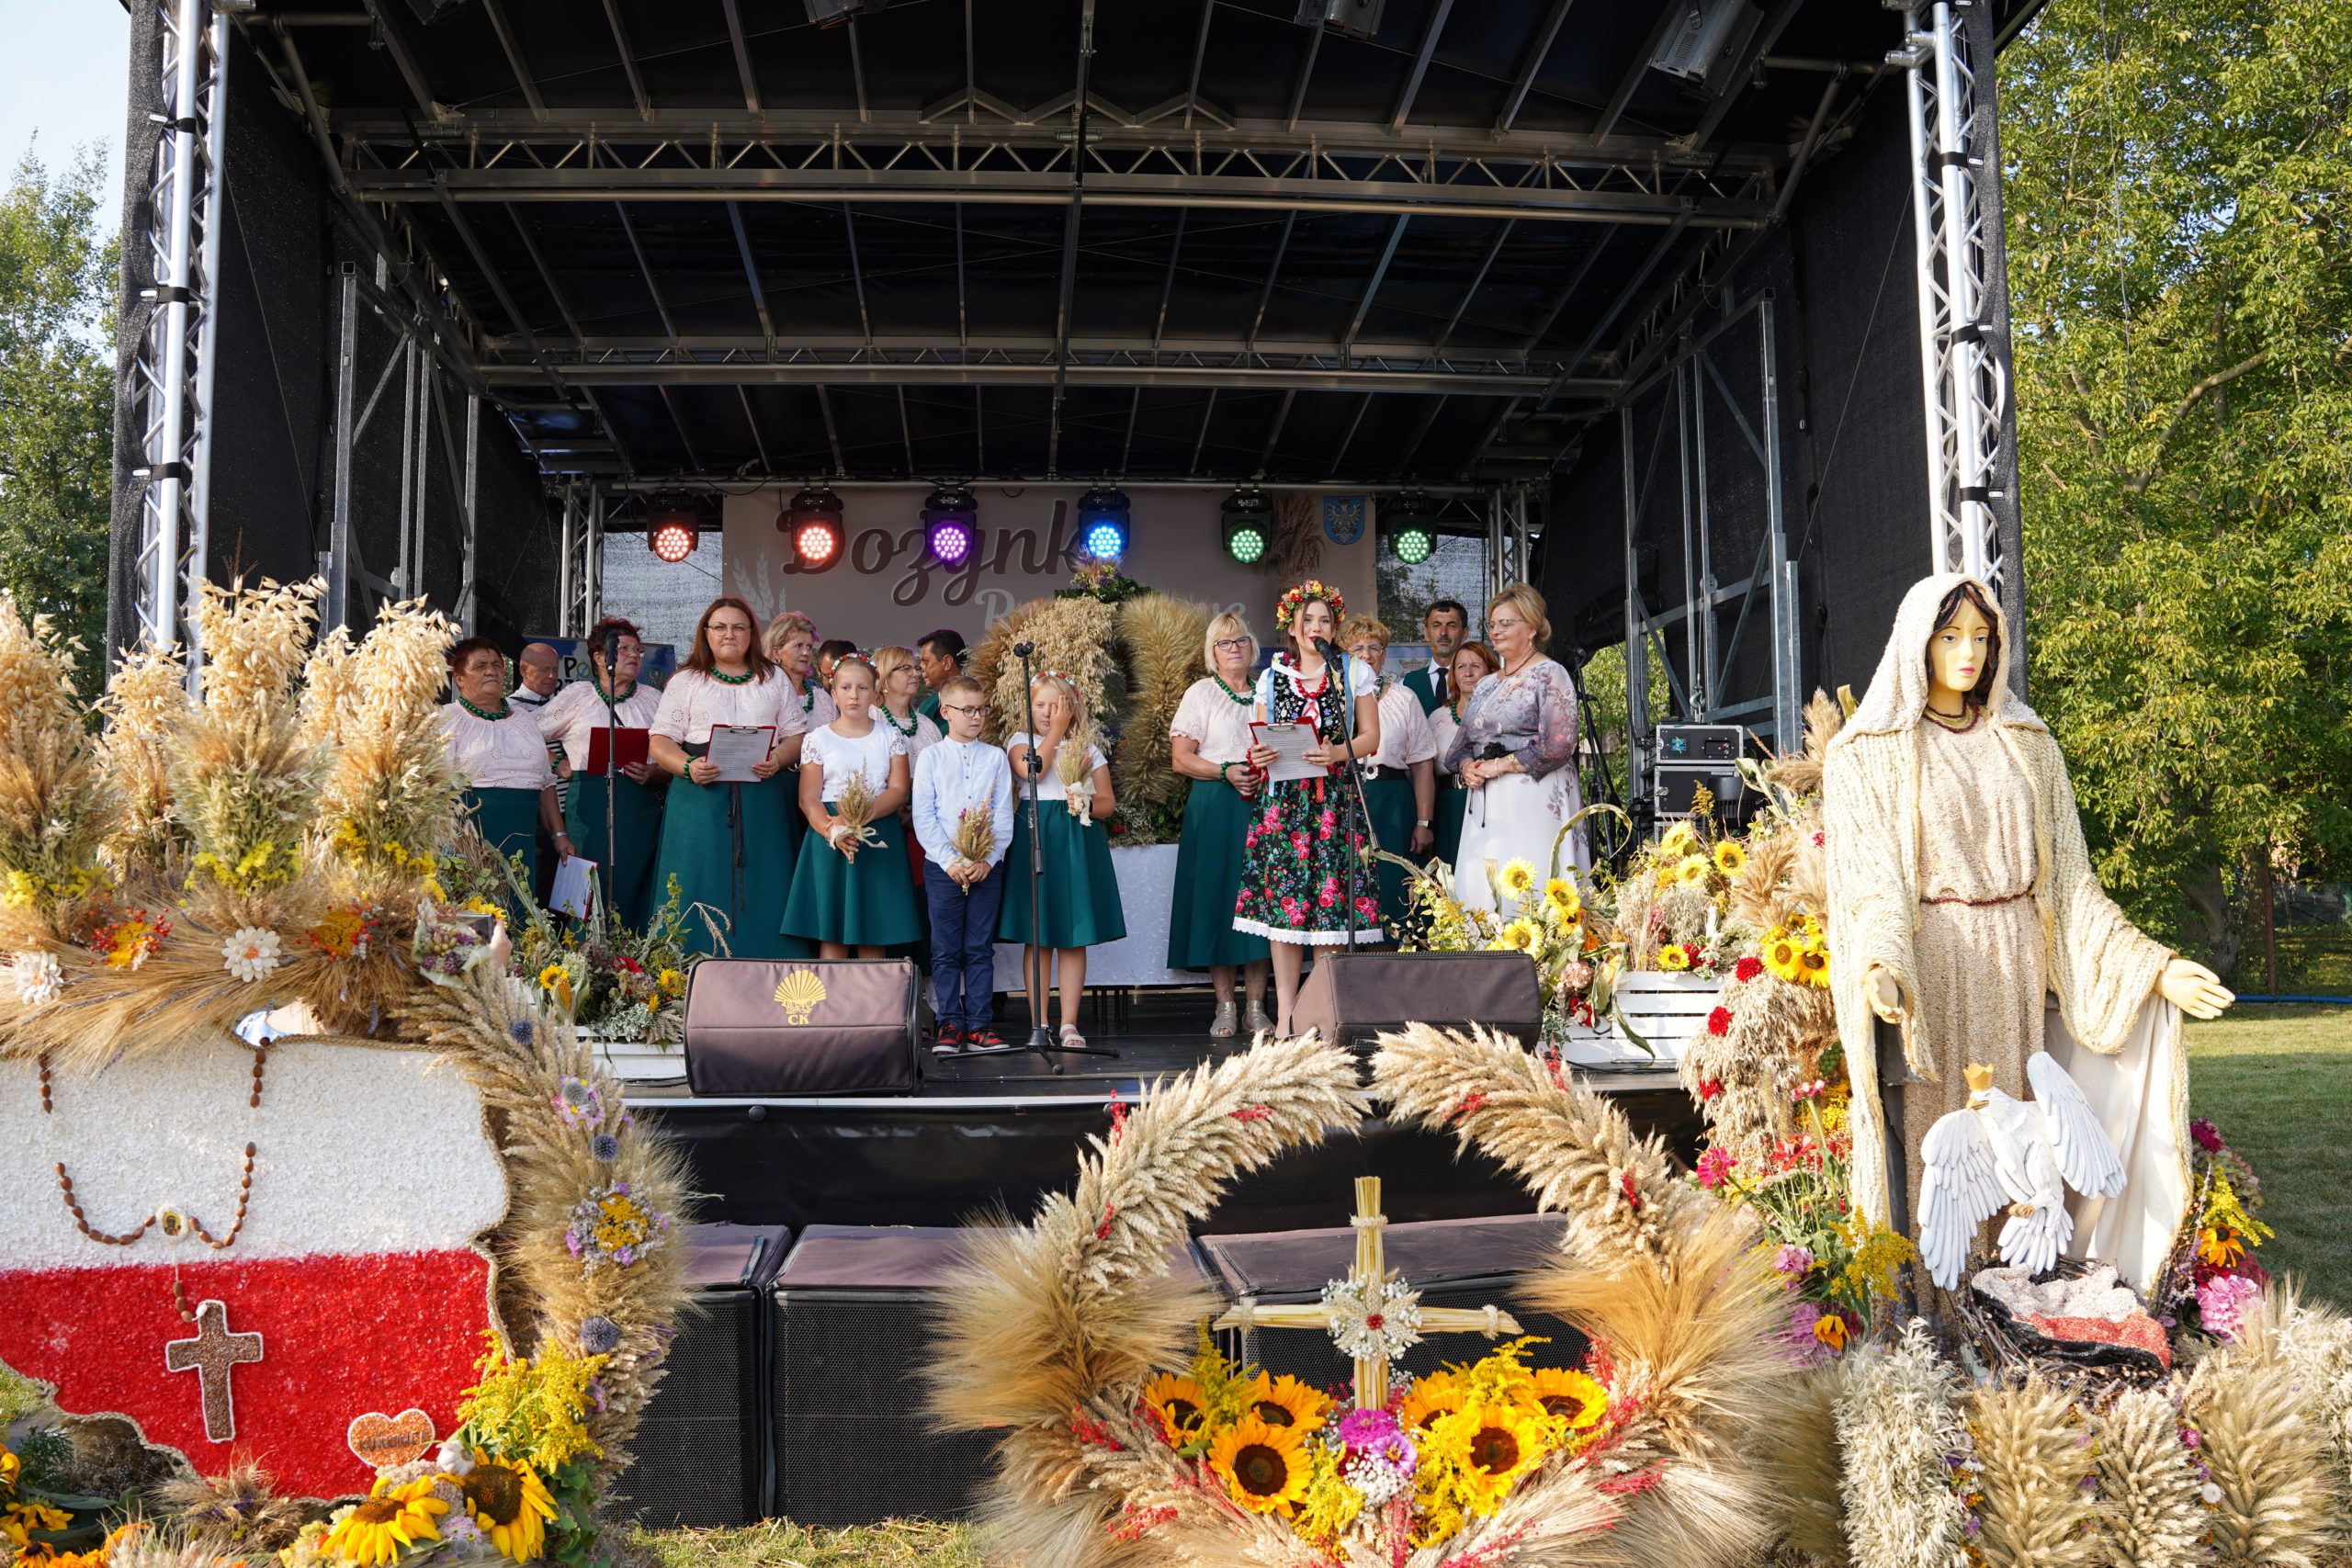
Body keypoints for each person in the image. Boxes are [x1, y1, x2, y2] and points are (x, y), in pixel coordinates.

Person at [1825, 574, 2235, 1306]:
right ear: (1917, 641)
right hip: (1934, 960)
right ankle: (1944, 1317)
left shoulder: (2027, 741)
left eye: (1982, 637)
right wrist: (1882, 961)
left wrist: (2151, 967)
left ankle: (2018, 1310)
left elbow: (2070, 880)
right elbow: (1872, 880)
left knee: (2023, 1144)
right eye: (1951, 636)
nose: (1969, 652)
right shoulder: (1871, 751)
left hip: (2016, 959)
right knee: (1944, 1145)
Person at [1233, 581, 1383, 1037]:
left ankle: (1322, 1014)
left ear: (1334, 628)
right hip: (1285, 804)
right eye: (1308, 620)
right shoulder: (1272, 677)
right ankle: (1286, 1015)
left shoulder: (1352, 672)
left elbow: (1371, 737)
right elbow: (1259, 739)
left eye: (1325, 620)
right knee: (1286, 910)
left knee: (1330, 911)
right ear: (1293, 627)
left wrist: (1336, 753)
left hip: (1335, 801)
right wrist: (1259, 754)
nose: (1316, 627)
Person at [649, 597, 808, 959]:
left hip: (762, 796)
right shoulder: (686, 680)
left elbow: (796, 736)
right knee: (696, 879)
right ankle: (688, 969)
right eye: (719, 627)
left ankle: (772, 964)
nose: (729, 634)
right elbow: (659, 741)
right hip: (699, 797)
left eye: (738, 627)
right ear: (706, 633)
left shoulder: (774, 678)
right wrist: (688, 766)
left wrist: (778, 758)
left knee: (766, 879)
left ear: (752, 634)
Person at [997, 671, 1125, 1051]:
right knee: (1038, 936)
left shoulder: (1088, 748)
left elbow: (1107, 803)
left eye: (1057, 706)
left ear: (1071, 707)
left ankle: (1069, 1023)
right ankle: (1039, 1023)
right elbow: (1034, 771)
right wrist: (1056, 731)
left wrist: (1085, 802)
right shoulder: (1019, 742)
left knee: (1072, 935)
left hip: (1075, 838)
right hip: (1037, 834)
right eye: (1040, 705)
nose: (1048, 712)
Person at [1444, 583, 1584, 911]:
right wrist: (1467, 768)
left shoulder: (1549, 673)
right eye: (1492, 624)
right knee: (1484, 895)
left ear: (1532, 628)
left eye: (1506, 623)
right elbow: (1460, 747)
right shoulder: (1486, 684)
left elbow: (1559, 744)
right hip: (1486, 804)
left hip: (1533, 796)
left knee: (1532, 886)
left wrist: (1499, 766)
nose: (1496, 631)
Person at [1166, 612, 1272, 1039]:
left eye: (1241, 640)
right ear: (1212, 652)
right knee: (1217, 903)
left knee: (1261, 903)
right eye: (1224, 643)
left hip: (1263, 805)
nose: (1234, 649)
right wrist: (1225, 770)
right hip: (1214, 807)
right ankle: (1225, 1007)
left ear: (1253, 647)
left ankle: (1257, 1008)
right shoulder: (1202, 693)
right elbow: (1181, 759)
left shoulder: (1269, 690)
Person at [782, 656, 924, 958]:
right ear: (833, 694)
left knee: (874, 930)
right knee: (832, 932)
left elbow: (898, 790)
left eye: (862, 688)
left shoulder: (890, 736)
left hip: (877, 830)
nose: (854, 695)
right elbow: (808, 797)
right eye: (845, 688)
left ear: (875, 693)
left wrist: (857, 818)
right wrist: (833, 830)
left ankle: (873, 990)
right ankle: (832, 990)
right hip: (830, 833)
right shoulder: (818, 738)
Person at [537, 617, 666, 927]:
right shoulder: (578, 695)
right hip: (588, 806)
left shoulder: (655, 700)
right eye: (624, 649)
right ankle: (581, 952)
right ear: (599, 657)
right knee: (585, 884)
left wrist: (657, 772)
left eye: (638, 650)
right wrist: (557, 763)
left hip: (640, 807)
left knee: (634, 885)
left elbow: (676, 751)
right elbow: (525, 734)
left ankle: (637, 953)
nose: (634, 655)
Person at [911, 673, 1015, 1053]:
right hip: (944, 868)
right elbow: (924, 815)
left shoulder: (996, 757)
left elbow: (1003, 813)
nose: (976, 717)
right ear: (946, 712)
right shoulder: (931, 757)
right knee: (945, 949)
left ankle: (980, 1025)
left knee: (979, 947)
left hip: (986, 867)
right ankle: (950, 1024)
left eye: (981, 710)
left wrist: (988, 858)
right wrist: (949, 860)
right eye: (967, 710)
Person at [440, 637, 569, 897]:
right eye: (480, 666)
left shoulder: (525, 720)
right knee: (479, 906)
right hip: (470, 837)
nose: (491, 671)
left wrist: (559, 835)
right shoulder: (446, 720)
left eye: (496, 665)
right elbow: (433, 789)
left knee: (522, 905)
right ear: (459, 678)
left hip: (525, 836)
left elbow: (546, 783)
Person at [1341, 615, 1438, 938]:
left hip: (1393, 800)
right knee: (1347, 887)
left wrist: (1423, 822)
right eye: (1357, 648)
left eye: (1375, 647)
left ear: (1384, 655)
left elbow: (1422, 764)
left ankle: (1392, 960)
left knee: (1393, 888)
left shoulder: (1404, 698)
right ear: (1344, 655)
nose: (1366, 655)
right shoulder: (1334, 698)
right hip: (1346, 798)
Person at [1427, 638, 1497, 874]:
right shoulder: (1438, 717)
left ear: (1490, 671)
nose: (1468, 673)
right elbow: (1426, 772)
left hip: (1488, 802)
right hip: (1448, 806)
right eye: (1461, 667)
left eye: (1475, 666)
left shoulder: (1501, 715)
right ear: (1453, 675)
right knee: (1451, 872)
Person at [870, 645, 945, 761]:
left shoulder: (927, 725)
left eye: (916, 668)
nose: (916, 674)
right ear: (885, 675)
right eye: (906, 668)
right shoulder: (870, 719)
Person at [767, 612, 836, 731]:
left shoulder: (822, 699)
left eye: (809, 647)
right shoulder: (765, 696)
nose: (806, 653)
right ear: (777, 653)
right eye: (798, 646)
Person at [1399, 600, 1469, 715]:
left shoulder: (1479, 682)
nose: (1443, 633)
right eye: (1436, 625)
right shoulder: (1407, 684)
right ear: (1426, 633)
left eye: (1451, 625)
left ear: (1464, 634)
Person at [915, 629, 967, 722]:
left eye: (926, 661)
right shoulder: (923, 709)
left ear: (947, 662)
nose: (920, 667)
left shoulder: (979, 703)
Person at [510, 642, 562, 708]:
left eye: (555, 669)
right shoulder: (507, 709)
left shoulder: (561, 708)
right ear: (524, 671)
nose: (552, 676)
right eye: (544, 669)